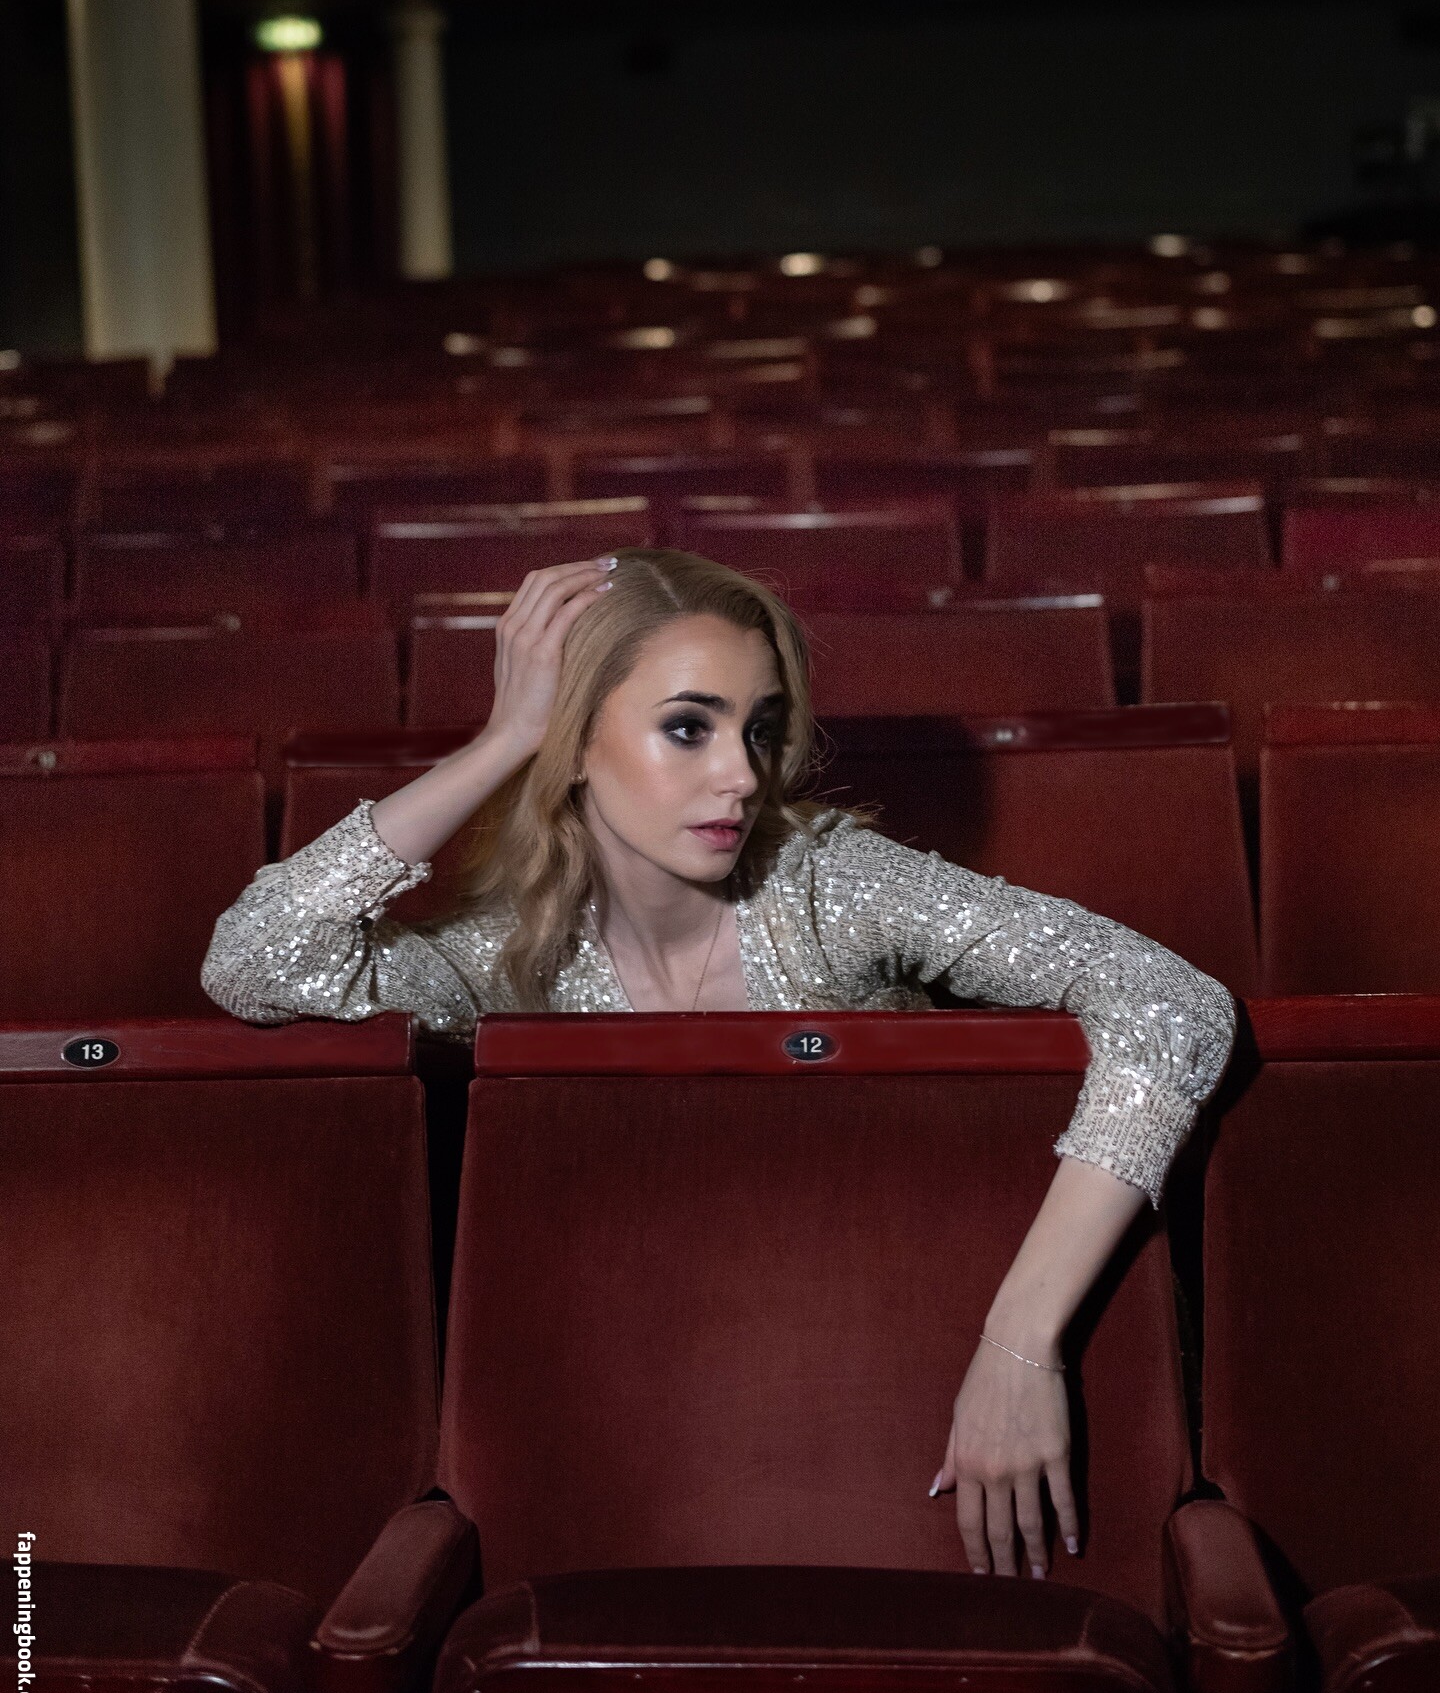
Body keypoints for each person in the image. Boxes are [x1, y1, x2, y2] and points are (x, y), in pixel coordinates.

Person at [203, 546, 1235, 1584]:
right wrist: (506, 738)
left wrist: (1020, 1343)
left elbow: (1174, 1002)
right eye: (689, 727)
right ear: (574, 738)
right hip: (674, 1455)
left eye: (760, 729)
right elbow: (252, 962)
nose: (741, 775)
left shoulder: (828, 884)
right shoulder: (506, 961)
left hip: (922, 1408)